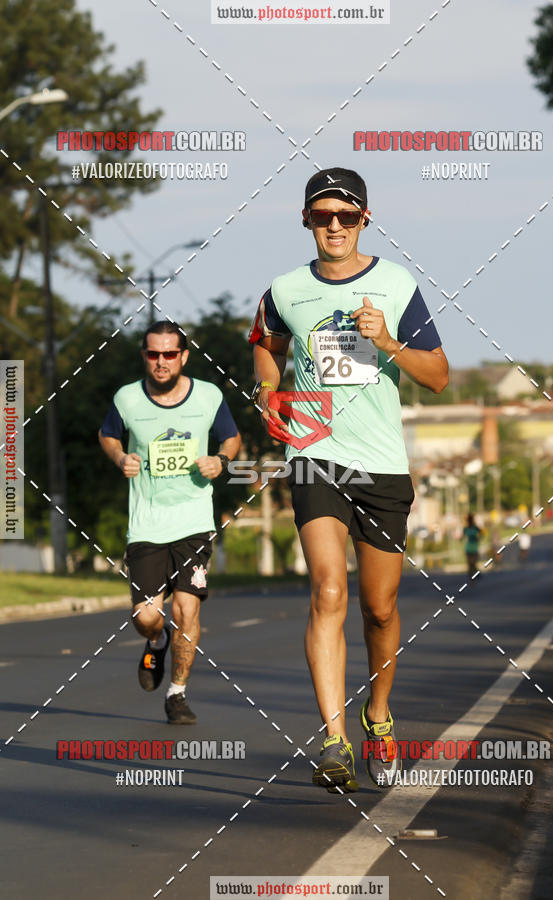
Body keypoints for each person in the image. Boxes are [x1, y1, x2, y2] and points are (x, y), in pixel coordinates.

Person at [249, 168, 448, 792]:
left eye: (346, 215)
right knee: (328, 591)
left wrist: (385, 339)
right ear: (306, 220)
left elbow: (439, 377)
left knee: (379, 608)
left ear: (365, 219)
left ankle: (378, 715)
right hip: (315, 456)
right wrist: (267, 391)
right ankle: (334, 741)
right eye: (322, 215)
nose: (334, 226)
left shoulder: (397, 284)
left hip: (381, 463)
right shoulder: (283, 289)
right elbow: (266, 344)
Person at [98, 321, 241, 724]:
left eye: (169, 354)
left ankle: (177, 694)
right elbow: (107, 435)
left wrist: (221, 461)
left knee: (186, 609)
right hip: (147, 524)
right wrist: (120, 457)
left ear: (184, 357)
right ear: (145, 356)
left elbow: (231, 437)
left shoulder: (208, 396)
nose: (161, 361)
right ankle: (157, 640)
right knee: (146, 616)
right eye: (153, 354)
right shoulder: (127, 398)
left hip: (194, 521)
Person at [463, 513, 482, 579]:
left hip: (474, 548)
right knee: (470, 564)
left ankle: (476, 574)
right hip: (468, 548)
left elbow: (482, 533)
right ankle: (471, 577)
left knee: (473, 563)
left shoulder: (476, 528)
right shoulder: (466, 529)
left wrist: (478, 539)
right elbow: (462, 537)